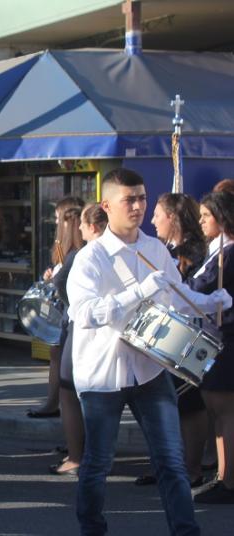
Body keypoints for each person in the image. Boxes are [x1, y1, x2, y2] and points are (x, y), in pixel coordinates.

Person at [66, 168, 230, 535]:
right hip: (102, 374)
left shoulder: (155, 248)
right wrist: (138, 292)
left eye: (142, 198)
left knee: (171, 461)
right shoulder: (90, 258)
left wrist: (211, 302)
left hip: (150, 369)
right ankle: (92, 529)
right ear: (107, 206)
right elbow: (84, 314)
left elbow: (177, 297)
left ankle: (185, 530)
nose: (138, 206)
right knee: (98, 463)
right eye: (129, 200)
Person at [137, 193, 209, 487]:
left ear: (173, 217)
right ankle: (169, 465)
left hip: (187, 338)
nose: (153, 221)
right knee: (167, 406)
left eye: (157, 214)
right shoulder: (164, 249)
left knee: (190, 405)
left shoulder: (194, 252)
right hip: (164, 336)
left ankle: (191, 468)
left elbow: (191, 295)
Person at [190, 190, 234, 503]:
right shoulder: (219, 249)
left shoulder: (228, 253)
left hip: (228, 337)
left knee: (224, 410)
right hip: (220, 336)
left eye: (206, 216)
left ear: (222, 217)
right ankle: (223, 476)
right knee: (219, 411)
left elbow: (199, 286)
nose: (202, 221)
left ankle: (229, 481)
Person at [48, 203, 96, 476]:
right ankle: (83, 451)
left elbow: (61, 284)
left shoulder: (83, 253)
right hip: (88, 325)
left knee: (69, 390)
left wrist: (71, 302)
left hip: (79, 324)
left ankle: (77, 456)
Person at [28, 196, 85, 419]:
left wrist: (55, 280)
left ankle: (57, 407)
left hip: (72, 315)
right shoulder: (66, 249)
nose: (55, 223)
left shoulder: (77, 252)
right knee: (57, 357)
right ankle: (53, 403)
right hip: (66, 313)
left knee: (65, 365)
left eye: (58, 218)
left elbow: (63, 281)